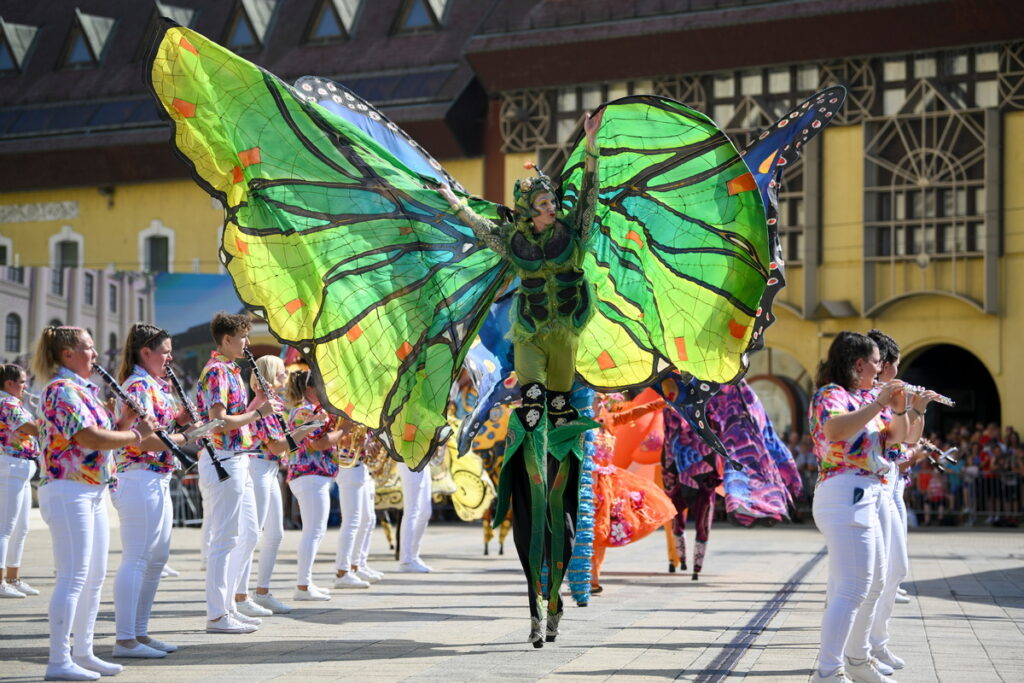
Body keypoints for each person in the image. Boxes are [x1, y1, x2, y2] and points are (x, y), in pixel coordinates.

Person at [439, 111, 603, 646]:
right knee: (533, 404)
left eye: (552, 203)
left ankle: (553, 598)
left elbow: (592, 197)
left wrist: (591, 142)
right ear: (528, 212)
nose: (550, 210)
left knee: (557, 410)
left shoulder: (573, 232)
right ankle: (530, 436)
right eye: (541, 205)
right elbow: (481, 230)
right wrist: (455, 201)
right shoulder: (516, 244)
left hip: (568, 339)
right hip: (531, 336)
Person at [33, 326, 158, 680]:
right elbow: (88, 437)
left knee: (94, 577)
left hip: (91, 489)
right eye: (88, 348)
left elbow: (104, 436)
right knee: (73, 578)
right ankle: (58, 661)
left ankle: (83, 652)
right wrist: (136, 434)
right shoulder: (61, 390)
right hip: (68, 489)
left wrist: (126, 421)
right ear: (67, 354)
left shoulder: (82, 390)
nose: (96, 355)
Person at [809, 331, 908, 683]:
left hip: (868, 491)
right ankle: (829, 669)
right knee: (852, 587)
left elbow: (899, 439)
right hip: (844, 492)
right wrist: (880, 404)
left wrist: (909, 408)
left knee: (876, 582)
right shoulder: (831, 394)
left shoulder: (865, 396)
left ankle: (856, 659)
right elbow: (835, 430)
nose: (882, 368)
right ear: (859, 364)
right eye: (877, 362)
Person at [110, 324, 195, 658]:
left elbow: (157, 430)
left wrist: (181, 421)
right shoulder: (137, 385)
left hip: (156, 476)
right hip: (138, 476)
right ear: (145, 352)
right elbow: (143, 441)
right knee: (136, 557)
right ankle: (125, 639)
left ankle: (139, 633)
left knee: (156, 558)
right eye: (165, 351)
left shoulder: (154, 385)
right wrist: (187, 437)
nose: (170, 357)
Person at [863, 329, 937, 673]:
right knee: (879, 573)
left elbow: (908, 437)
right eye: (887, 363)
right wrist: (903, 404)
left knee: (896, 569)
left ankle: (877, 642)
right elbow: (899, 440)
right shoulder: (870, 395)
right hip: (875, 485)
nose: (887, 370)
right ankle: (866, 647)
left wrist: (916, 407)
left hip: (891, 484)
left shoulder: (887, 393)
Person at [196, 313, 269, 634]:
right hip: (222, 457)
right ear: (226, 339)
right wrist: (258, 412)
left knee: (243, 534)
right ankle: (216, 614)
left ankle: (227, 607)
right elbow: (221, 420)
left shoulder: (228, 370)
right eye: (242, 338)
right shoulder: (216, 371)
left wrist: (256, 405)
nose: (247, 344)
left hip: (235, 457)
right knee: (224, 540)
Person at [237, 355, 315, 614]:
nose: (285, 377)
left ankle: (262, 591)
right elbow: (277, 445)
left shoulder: (273, 404)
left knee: (274, 533)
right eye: (280, 373)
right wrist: (305, 430)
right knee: (252, 534)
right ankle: (240, 595)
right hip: (258, 468)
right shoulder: (261, 404)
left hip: (268, 469)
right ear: (267, 376)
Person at [286, 370, 344, 600]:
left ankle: (306, 582)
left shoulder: (310, 411)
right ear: (311, 390)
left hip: (313, 476)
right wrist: (344, 430)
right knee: (313, 532)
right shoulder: (305, 411)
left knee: (315, 532)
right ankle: (302, 585)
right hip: (309, 475)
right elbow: (319, 444)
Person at [0, 363, 41, 599]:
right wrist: (48, 416)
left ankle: (13, 577)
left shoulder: (13, 403)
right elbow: (32, 429)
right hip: (10, 465)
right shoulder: (6, 403)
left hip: (21, 468)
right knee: (5, 528)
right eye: (23, 382)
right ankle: (1, 581)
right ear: (10, 384)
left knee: (20, 528)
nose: (26, 386)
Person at [334, 419, 383, 587]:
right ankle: (343, 571)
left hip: (360, 466)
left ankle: (356, 565)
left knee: (367, 520)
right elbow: (338, 437)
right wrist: (362, 443)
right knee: (352, 522)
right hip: (348, 466)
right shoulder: (344, 409)